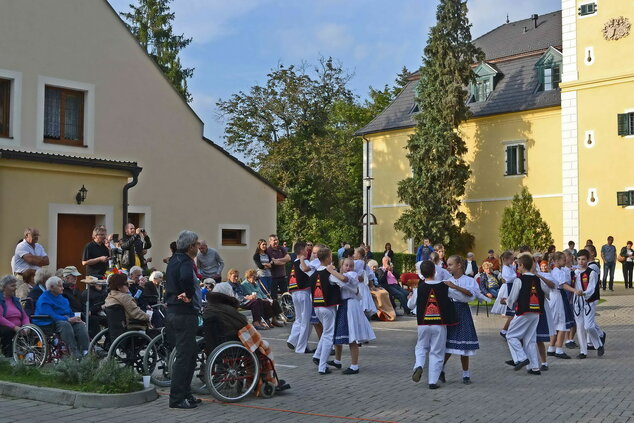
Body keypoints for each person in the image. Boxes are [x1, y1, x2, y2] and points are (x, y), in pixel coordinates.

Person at [165, 230, 203, 409]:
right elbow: (187, 277)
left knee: (190, 355)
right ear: (190, 247)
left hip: (174, 312)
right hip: (184, 313)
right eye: (196, 244)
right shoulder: (186, 261)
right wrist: (187, 294)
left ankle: (186, 394)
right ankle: (177, 398)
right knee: (184, 357)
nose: (198, 247)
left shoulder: (174, 259)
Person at [408, 261, 458, 389]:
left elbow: (410, 305)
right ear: (435, 271)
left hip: (423, 324)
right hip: (439, 324)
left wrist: (411, 297)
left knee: (421, 347)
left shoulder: (419, 288)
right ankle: (432, 381)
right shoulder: (444, 286)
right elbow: (459, 297)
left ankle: (419, 365)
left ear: (422, 274)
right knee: (437, 351)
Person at [503, 254, 550, 375]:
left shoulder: (519, 280)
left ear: (522, 265)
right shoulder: (538, 279)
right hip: (536, 312)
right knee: (530, 340)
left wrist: (505, 301)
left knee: (511, 336)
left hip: (523, 311)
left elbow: (513, 298)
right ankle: (534, 367)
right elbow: (547, 292)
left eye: (518, 265)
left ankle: (522, 358)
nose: (517, 267)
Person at [331, 257, 376, 375]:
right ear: (342, 266)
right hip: (344, 306)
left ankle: (354, 365)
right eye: (346, 265)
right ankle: (337, 360)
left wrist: (330, 270)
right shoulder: (343, 274)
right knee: (339, 334)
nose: (348, 267)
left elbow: (344, 279)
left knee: (352, 336)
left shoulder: (352, 274)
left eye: (350, 265)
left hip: (350, 306)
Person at [441, 255, 479, 384]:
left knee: (464, 343)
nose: (448, 267)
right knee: (449, 343)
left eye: (451, 264)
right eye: (448, 264)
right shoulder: (447, 280)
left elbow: (471, 294)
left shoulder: (468, 280)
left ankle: (466, 374)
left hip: (462, 310)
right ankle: (441, 369)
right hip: (451, 311)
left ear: (459, 265)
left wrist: (455, 287)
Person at [33, 276, 89, 358]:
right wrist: (68, 319)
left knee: (79, 325)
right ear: (52, 287)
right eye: (60, 286)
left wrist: (75, 318)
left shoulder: (62, 298)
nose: (63, 288)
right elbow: (52, 315)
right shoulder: (44, 299)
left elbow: (69, 312)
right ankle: (73, 351)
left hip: (62, 320)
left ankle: (85, 351)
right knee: (65, 324)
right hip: (47, 322)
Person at [310, 246, 342, 375]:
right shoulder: (329, 274)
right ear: (328, 258)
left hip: (317, 307)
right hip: (328, 307)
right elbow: (342, 282)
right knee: (329, 335)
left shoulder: (314, 274)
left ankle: (317, 355)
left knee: (326, 332)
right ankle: (322, 366)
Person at [573, 249, 604, 359]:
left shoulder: (592, 273)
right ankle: (583, 351)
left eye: (583, 259)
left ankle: (599, 344)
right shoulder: (575, 272)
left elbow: (591, 288)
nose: (581, 262)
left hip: (588, 301)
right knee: (580, 326)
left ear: (587, 260)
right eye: (579, 259)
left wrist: (583, 293)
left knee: (589, 326)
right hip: (577, 302)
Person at [545, 252, 576, 360]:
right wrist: (575, 290)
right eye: (563, 259)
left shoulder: (556, 271)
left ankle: (552, 348)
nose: (565, 261)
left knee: (556, 323)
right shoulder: (558, 272)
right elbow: (563, 285)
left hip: (554, 297)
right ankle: (559, 349)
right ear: (557, 261)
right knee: (562, 324)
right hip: (558, 297)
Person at [286, 242, 315, 354]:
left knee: (299, 318)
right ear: (302, 250)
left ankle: (293, 340)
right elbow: (311, 274)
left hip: (294, 293)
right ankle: (301, 347)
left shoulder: (293, 263)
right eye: (306, 248)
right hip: (304, 292)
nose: (308, 250)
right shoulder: (304, 262)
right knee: (306, 321)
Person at [0, 275, 30, 357]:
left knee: (30, 330)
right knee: (8, 331)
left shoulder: (15, 300)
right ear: (4, 287)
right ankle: (9, 357)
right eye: (12, 286)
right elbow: (0, 318)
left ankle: (29, 356)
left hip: (18, 326)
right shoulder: (1, 300)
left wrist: (26, 327)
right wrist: (14, 327)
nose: (15, 288)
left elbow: (25, 317)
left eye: (15, 285)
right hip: (4, 326)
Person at [266, 234, 291, 299]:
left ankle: (286, 308)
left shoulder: (281, 248)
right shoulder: (268, 250)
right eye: (274, 240)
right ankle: (274, 309)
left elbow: (289, 258)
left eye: (277, 240)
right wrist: (283, 261)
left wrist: (279, 260)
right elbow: (275, 262)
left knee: (285, 295)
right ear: (270, 241)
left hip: (282, 276)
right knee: (274, 296)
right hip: (273, 277)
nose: (276, 242)